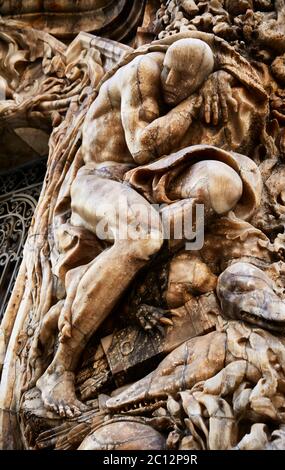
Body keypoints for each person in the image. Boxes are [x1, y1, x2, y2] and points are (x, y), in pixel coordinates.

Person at [35, 38, 246, 417]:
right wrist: (195, 101)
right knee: (144, 235)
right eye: (170, 74)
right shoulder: (141, 72)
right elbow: (143, 146)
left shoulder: (203, 78)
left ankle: (132, 279)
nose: (172, 85)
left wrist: (219, 77)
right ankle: (60, 366)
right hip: (102, 179)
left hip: (151, 179)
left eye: (185, 82)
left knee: (224, 185)